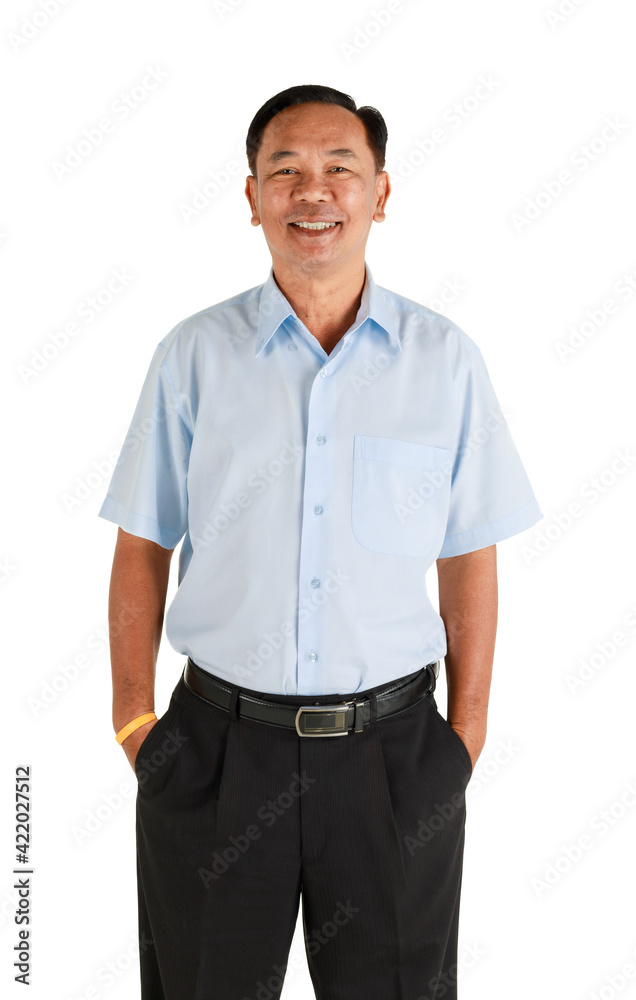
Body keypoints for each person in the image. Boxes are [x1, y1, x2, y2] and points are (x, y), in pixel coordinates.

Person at [99, 83, 543, 1000]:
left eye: (340, 167)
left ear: (380, 192)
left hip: (393, 762)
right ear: (252, 196)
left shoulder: (445, 361)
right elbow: (142, 543)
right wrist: (136, 721)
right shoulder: (193, 356)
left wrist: (464, 736)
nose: (314, 191)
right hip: (216, 757)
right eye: (286, 170)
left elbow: (469, 552)